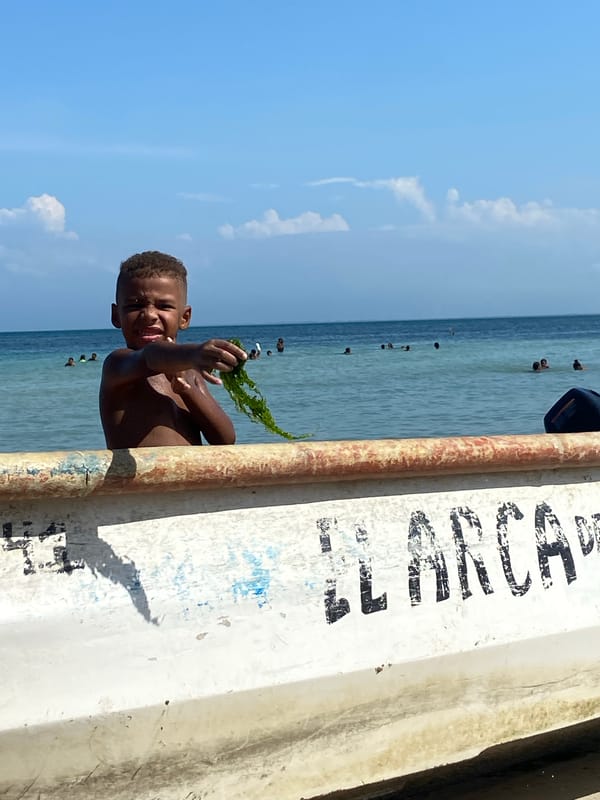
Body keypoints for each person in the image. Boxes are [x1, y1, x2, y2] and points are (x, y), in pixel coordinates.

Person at [99, 251, 246, 449]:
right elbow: (150, 356)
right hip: (142, 480)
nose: (149, 314)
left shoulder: (191, 373)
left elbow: (224, 438)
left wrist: (188, 392)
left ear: (184, 317)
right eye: (135, 305)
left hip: (192, 478)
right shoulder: (118, 365)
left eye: (163, 306)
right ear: (116, 315)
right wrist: (193, 353)